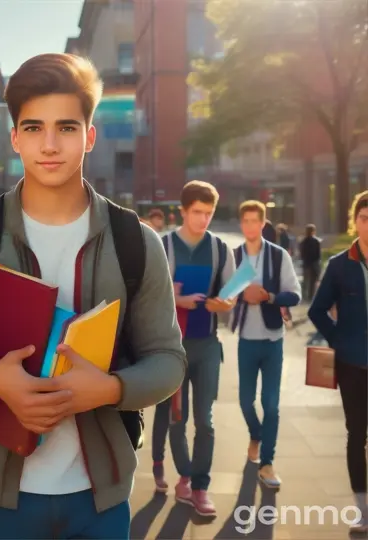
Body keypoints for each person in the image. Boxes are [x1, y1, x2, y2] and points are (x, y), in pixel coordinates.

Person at [0, 53, 186, 539]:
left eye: (67, 128)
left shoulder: (136, 243)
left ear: (90, 136)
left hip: (101, 500)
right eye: (33, 128)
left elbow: (168, 360)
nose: (50, 145)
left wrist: (111, 389)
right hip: (0, 501)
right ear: (15, 138)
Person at [151, 180, 236, 516]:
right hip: (174, 346)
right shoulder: (163, 245)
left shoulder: (220, 249)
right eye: (197, 212)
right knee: (177, 417)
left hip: (207, 345)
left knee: (206, 420)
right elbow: (149, 297)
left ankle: (199, 486)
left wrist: (225, 304)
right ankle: (184, 476)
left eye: (209, 213)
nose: (203, 219)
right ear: (183, 211)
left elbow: (231, 294)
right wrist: (178, 299)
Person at [309, 191, 368, 535]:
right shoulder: (340, 265)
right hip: (351, 364)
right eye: (363, 218)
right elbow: (317, 310)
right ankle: (362, 508)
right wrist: (339, 340)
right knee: (356, 434)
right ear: (354, 222)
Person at [231, 201, 301, 488]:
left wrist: (268, 297)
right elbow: (223, 293)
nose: (249, 226)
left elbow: (294, 295)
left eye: (254, 221)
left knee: (271, 404)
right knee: (246, 402)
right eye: (245, 221)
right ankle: (256, 435)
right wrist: (238, 295)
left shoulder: (278, 256)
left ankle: (268, 463)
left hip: (273, 341)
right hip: (246, 339)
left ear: (263, 224)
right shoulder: (233, 256)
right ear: (241, 224)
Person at [300, 224, 322, 302]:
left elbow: (302, 254)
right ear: (313, 231)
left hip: (306, 263)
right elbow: (318, 254)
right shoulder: (316, 241)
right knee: (313, 281)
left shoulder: (303, 241)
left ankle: (304, 295)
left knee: (306, 280)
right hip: (314, 263)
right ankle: (310, 296)